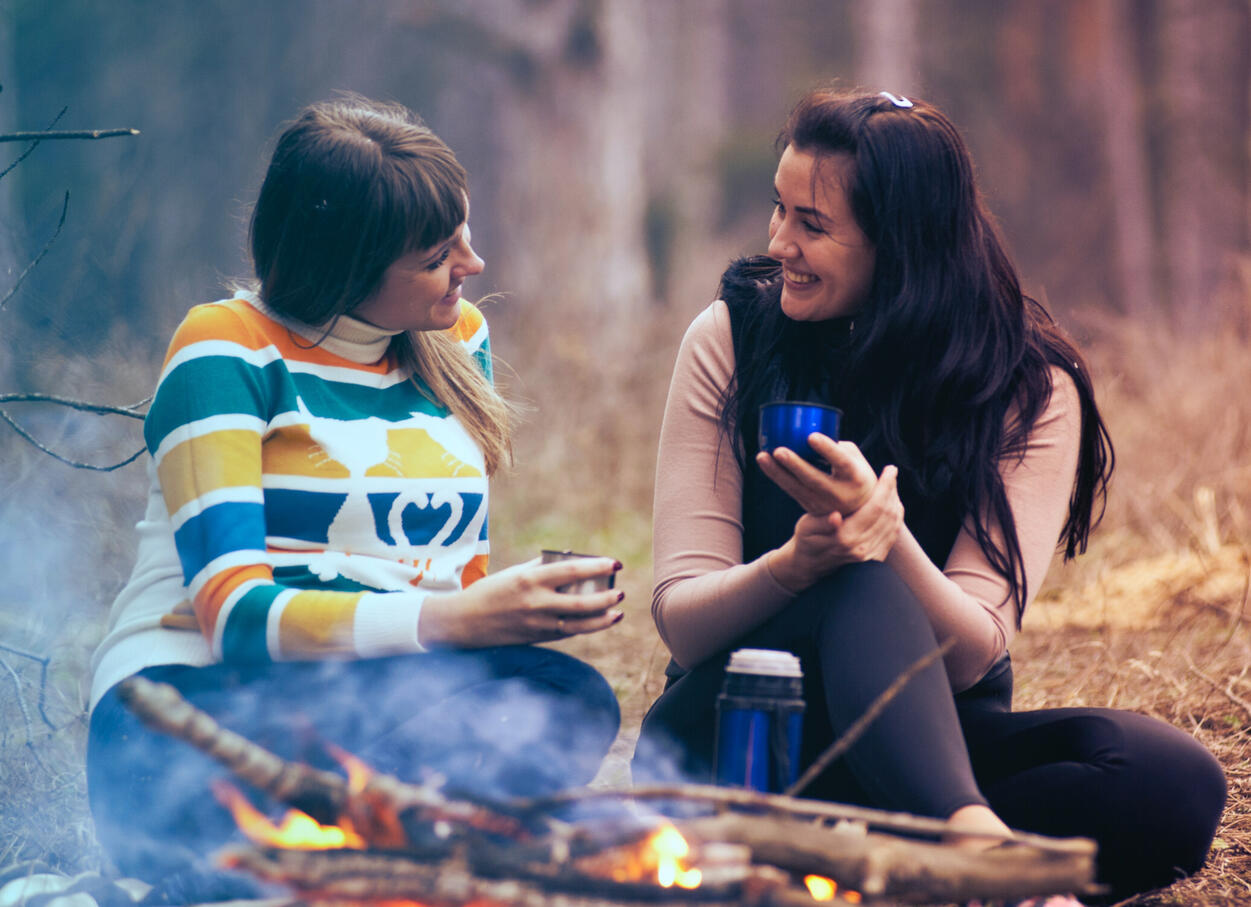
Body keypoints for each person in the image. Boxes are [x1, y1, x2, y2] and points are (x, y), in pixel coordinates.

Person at [633, 88, 1225, 902]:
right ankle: (978, 856)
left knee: (1171, 779)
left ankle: (889, 860)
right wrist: (798, 564)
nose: (779, 243)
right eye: (779, 210)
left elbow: (975, 646)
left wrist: (888, 537)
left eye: (812, 224)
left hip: (927, 742)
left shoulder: (1028, 387)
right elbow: (685, 621)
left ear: (900, 243)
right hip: (737, 739)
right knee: (851, 578)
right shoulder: (731, 339)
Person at [87, 95, 623, 889]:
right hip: (190, 714)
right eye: (439, 255)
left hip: (365, 703)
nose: (471, 267)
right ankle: (365, 852)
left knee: (565, 695)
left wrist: (503, 616)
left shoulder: (454, 338)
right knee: (446, 733)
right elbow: (235, 618)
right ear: (346, 265)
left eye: (464, 235)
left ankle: (362, 859)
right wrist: (459, 619)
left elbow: (452, 574)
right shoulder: (226, 348)